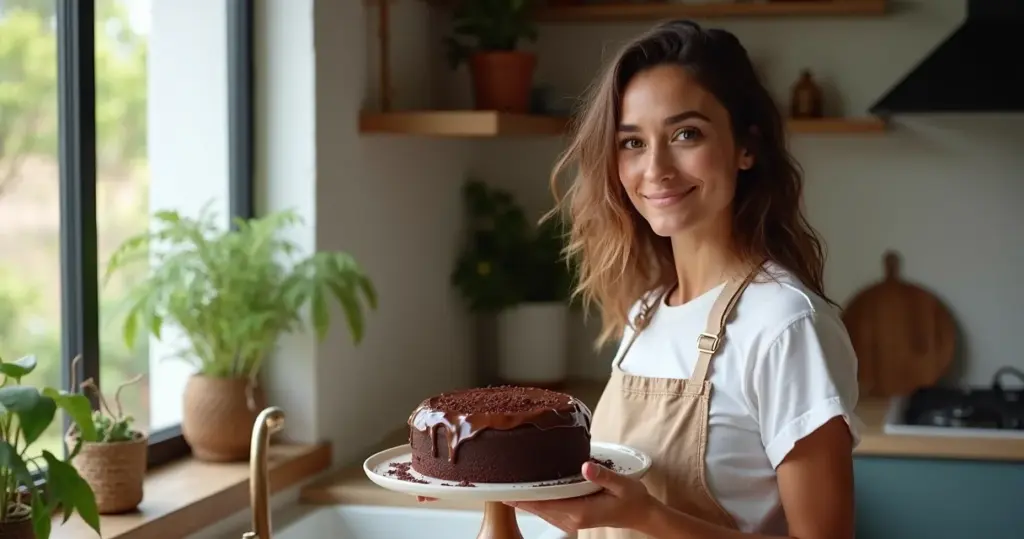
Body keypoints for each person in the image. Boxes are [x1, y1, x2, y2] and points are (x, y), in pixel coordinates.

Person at [507, 19, 862, 539]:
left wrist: (643, 515)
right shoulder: (646, 312)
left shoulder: (786, 326)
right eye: (632, 142)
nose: (656, 169)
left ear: (747, 147)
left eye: (685, 134)